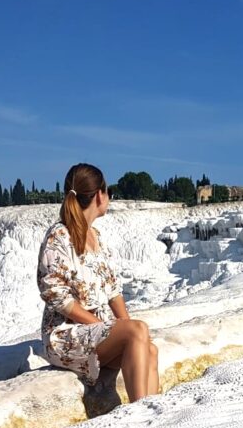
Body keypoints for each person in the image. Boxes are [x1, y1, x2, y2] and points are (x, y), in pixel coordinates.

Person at [37, 163, 160, 402]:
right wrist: (103, 326)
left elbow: (113, 290)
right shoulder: (59, 236)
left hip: (95, 331)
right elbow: (56, 295)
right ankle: (141, 414)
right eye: (108, 192)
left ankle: (152, 417)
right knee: (138, 332)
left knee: (149, 348)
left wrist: (128, 330)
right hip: (65, 335)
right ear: (99, 195)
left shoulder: (97, 238)